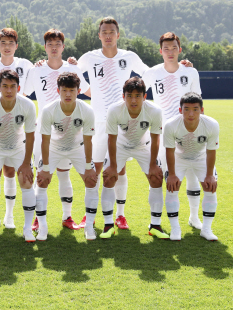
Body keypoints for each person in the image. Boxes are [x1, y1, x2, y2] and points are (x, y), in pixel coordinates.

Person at [68, 18, 193, 232]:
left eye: (112, 32)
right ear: (99, 35)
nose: (108, 35)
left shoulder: (129, 57)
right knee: (97, 170)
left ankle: (120, 215)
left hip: (125, 120)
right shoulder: (89, 57)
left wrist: (178, 66)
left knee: (120, 169)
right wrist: (87, 89)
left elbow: (151, 72)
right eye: (104, 32)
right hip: (98, 122)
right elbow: (72, 75)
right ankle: (91, 215)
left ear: (118, 35)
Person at [22, 29, 89, 231]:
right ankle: (37, 218)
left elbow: (87, 91)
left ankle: (67, 217)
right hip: (43, 131)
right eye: (50, 44)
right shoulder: (37, 70)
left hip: (69, 131)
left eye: (57, 44)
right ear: (45, 47)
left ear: (63, 47)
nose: (53, 47)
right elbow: (23, 95)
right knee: (42, 175)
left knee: (63, 173)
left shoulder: (73, 69)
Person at [142, 32, 203, 231]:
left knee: (192, 174)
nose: (170, 52)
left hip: (188, 132)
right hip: (162, 134)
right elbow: (138, 97)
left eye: (174, 48)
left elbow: (199, 103)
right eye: (166, 49)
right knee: (159, 177)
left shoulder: (191, 72)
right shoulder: (152, 73)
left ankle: (194, 217)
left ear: (180, 50)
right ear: (160, 51)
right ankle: (156, 222)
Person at [0, 28, 34, 229]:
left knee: (11, 172)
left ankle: (10, 216)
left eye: (10, 43)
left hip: (16, 124)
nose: (6, 46)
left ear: (16, 46)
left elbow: (43, 72)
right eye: (3, 43)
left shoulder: (26, 65)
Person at [100, 77, 164, 239]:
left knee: (156, 178)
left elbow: (156, 138)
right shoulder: (114, 110)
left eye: (137, 96)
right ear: (123, 96)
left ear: (145, 96)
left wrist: (153, 165)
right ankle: (108, 225)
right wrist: (113, 165)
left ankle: (155, 225)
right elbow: (111, 139)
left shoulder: (154, 111)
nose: (133, 100)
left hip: (143, 145)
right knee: (109, 177)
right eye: (129, 96)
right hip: (120, 145)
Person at [37, 72, 97, 240]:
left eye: (72, 90)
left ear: (79, 90)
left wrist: (88, 168)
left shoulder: (86, 110)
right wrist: (46, 169)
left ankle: (89, 227)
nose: (68, 94)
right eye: (64, 90)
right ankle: (42, 227)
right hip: (54, 147)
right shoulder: (49, 110)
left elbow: (88, 141)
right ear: (58, 91)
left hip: (77, 148)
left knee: (92, 180)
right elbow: (45, 140)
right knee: (41, 181)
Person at [0, 69, 36, 243]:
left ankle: (27, 229)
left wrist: (26, 163)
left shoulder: (27, 105)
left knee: (26, 181)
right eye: (5, 86)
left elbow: (31, 135)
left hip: (19, 147)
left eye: (13, 86)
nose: (9, 90)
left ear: (18, 87)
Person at [163, 92, 219, 241]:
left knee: (210, 187)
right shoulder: (170, 125)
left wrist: (209, 175)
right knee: (172, 188)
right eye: (186, 109)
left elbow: (211, 151)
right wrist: (172, 174)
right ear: (180, 110)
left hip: (201, 157)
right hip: (179, 158)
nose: (191, 113)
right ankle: (175, 229)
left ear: (202, 110)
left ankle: (206, 229)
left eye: (195, 109)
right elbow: (169, 151)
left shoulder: (212, 124)